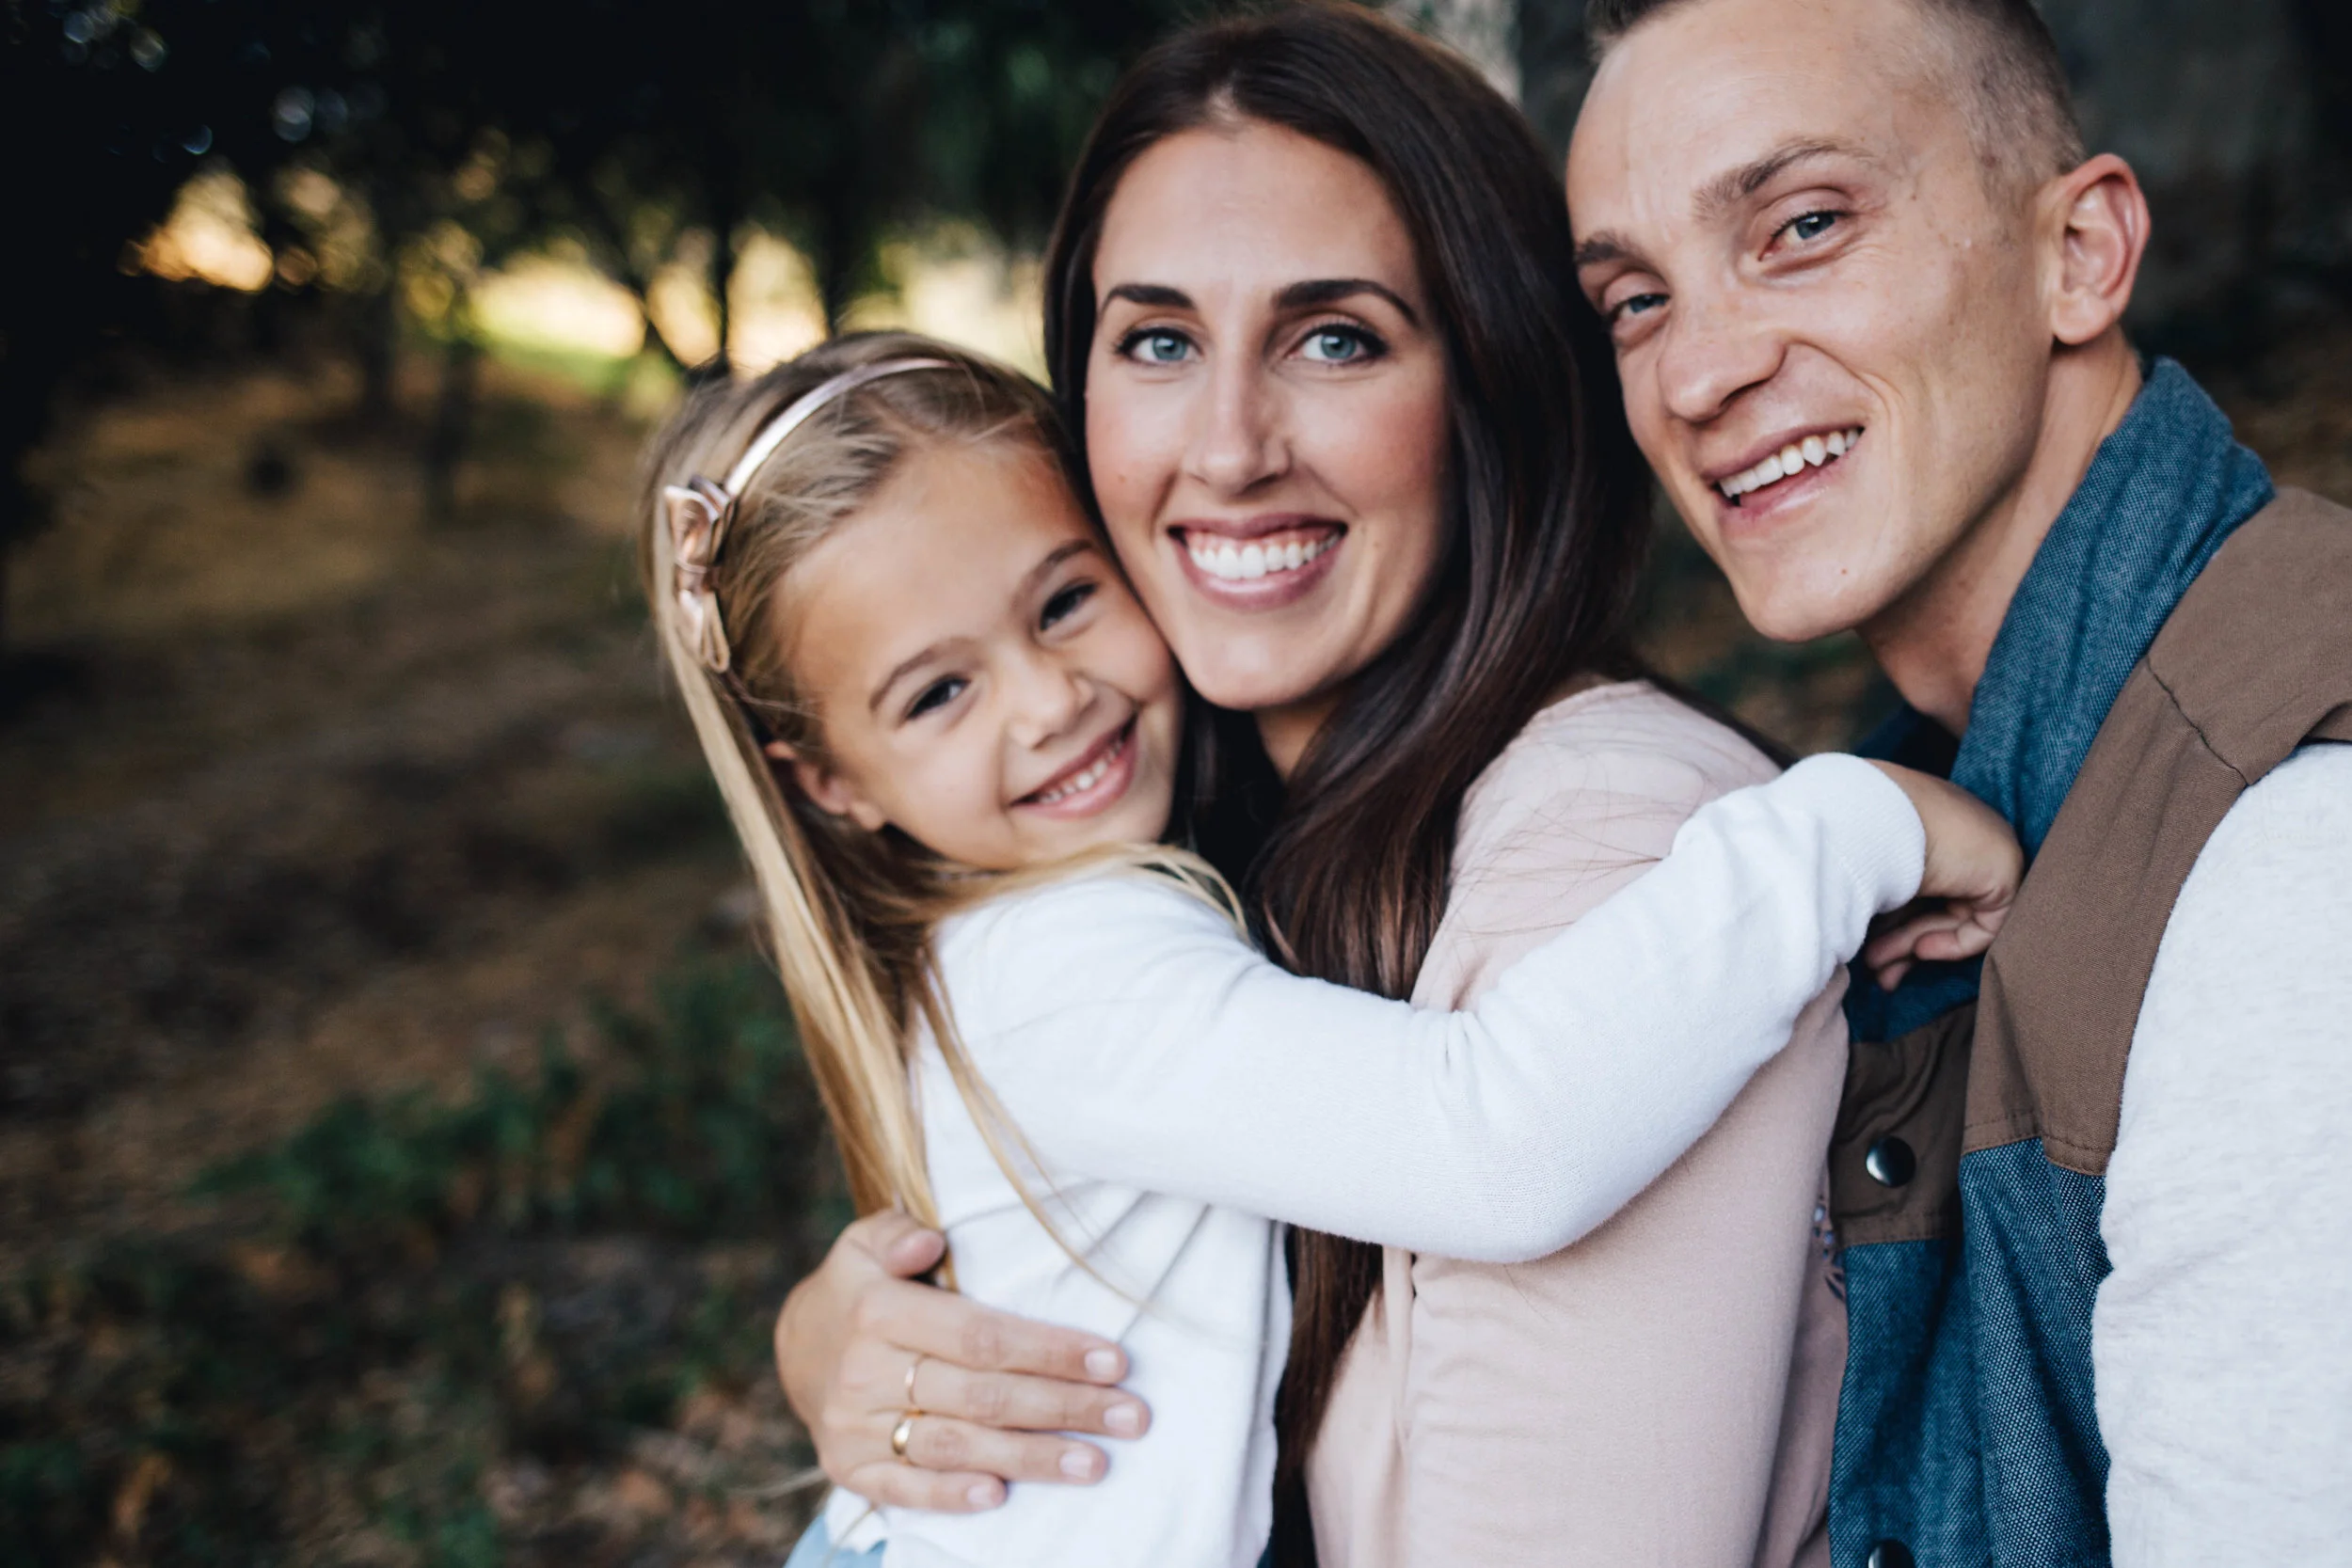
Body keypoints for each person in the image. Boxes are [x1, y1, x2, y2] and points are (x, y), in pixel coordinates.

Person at [773, 8, 1912, 1564]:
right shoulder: (1162, 830)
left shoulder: (1607, 848)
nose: (1231, 447)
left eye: (1335, 337)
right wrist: (851, 1339)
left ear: (1495, 384)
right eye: (1159, 340)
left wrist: (1859, 827)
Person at [637, 333, 2010, 1566]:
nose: (1050, 698)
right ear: (831, 784)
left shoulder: (1029, 929)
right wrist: (1840, 835)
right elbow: (1495, 1140)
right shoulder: (1070, 963)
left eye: (1063, 601)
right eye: (940, 691)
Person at [1563, 0, 2352, 1561]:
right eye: (1636, 300)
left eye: (1800, 226)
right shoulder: (1925, 790)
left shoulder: (2283, 857)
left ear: (2081, 254)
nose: (1699, 372)